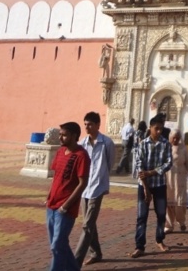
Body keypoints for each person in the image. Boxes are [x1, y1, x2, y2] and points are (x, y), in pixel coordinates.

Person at [45, 122, 90, 271]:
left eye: (64, 135)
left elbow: (83, 183)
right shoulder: (60, 152)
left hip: (65, 209)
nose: (60, 137)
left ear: (74, 136)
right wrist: (49, 195)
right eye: (60, 134)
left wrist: (66, 205)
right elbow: (56, 176)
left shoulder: (81, 156)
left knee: (57, 245)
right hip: (51, 205)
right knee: (59, 245)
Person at [74, 112, 115, 267]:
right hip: (84, 188)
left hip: (97, 187)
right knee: (89, 223)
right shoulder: (83, 144)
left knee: (87, 225)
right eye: (85, 124)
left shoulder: (107, 143)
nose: (87, 127)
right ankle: (96, 252)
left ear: (98, 125)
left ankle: (75, 261)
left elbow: (110, 163)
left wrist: (102, 179)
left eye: (90, 124)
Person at [130, 114, 173, 258]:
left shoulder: (166, 144)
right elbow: (140, 167)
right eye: (156, 129)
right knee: (142, 216)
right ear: (150, 128)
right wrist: (146, 189)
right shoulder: (142, 144)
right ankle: (139, 246)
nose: (159, 131)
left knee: (161, 214)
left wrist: (152, 172)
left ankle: (160, 239)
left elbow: (168, 163)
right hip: (144, 186)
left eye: (161, 129)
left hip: (160, 184)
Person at [165, 129, 188, 233]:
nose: (175, 139)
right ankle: (169, 225)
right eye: (173, 137)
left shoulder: (183, 149)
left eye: (177, 138)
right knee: (169, 203)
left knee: (180, 203)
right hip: (168, 179)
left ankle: (181, 221)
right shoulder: (165, 148)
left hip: (180, 179)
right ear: (169, 138)